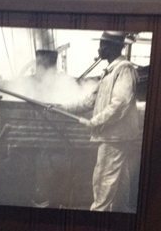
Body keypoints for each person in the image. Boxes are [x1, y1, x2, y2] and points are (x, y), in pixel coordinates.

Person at [64, 31, 141, 213]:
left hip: (114, 137)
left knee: (103, 182)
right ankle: (120, 217)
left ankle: (96, 216)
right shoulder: (109, 72)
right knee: (119, 183)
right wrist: (61, 106)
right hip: (115, 136)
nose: (100, 49)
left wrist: (94, 122)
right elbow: (89, 101)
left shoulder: (124, 70)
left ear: (115, 47)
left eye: (103, 45)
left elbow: (119, 104)